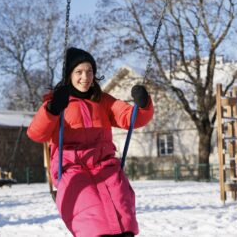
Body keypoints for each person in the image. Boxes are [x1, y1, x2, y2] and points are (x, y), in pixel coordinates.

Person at [27, 47, 154, 237]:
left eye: (89, 71)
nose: (85, 77)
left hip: (105, 164)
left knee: (122, 204)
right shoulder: (58, 103)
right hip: (72, 168)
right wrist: (52, 110)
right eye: (79, 72)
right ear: (69, 75)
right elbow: (37, 134)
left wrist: (143, 105)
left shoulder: (102, 101)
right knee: (90, 212)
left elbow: (131, 118)